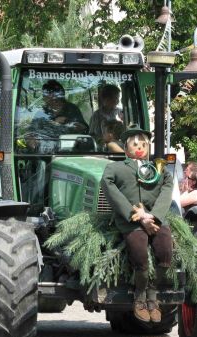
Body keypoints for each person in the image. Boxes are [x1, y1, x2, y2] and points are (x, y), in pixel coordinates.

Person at [101, 126, 173, 324]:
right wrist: (137, 215)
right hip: (130, 221)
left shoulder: (158, 169)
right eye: (135, 145)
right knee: (139, 251)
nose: (140, 148)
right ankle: (140, 296)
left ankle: (153, 293)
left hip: (155, 219)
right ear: (126, 148)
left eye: (144, 144)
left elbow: (167, 189)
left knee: (165, 248)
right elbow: (108, 186)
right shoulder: (115, 168)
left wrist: (154, 217)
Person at [27, 80, 88, 151]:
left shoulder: (72, 109)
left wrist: (75, 125)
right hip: (45, 152)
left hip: (70, 151)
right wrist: (31, 141)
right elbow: (31, 134)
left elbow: (84, 130)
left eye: (55, 95)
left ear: (61, 95)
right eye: (47, 95)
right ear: (44, 97)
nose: (53, 99)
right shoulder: (41, 113)